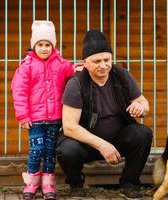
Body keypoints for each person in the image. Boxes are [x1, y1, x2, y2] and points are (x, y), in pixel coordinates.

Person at [56, 29, 153, 199]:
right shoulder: (76, 84)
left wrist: (140, 107)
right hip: (86, 145)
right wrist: (102, 145)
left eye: (107, 59)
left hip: (117, 140)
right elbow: (69, 127)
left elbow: (145, 104)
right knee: (67, 149)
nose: (103, 65)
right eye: (97, 61)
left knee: (143, 133)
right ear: (85, 62)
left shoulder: (121, 74)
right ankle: (76, 183)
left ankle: (129, 183)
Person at [11, 20, 78, 200]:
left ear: (52, 46)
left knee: (50, 151)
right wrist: (23, 115)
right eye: (40, 45)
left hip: (55, 117)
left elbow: (71, 71)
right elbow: (19, 91)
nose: (44, 48)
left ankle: (48, 183)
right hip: (36, 118)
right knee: (36, 149)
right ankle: (32, 182)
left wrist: (79, 68)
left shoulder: (61, 63)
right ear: (34, 46)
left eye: (48, 45)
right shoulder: (27, 66)